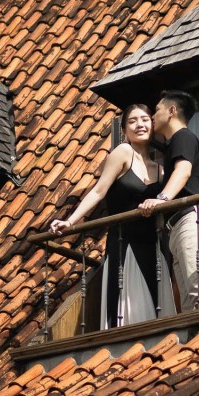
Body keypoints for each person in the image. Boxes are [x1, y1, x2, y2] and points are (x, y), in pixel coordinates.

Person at [50, 101, 171, 326]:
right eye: (132, 121)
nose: (140, 125)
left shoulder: (161, 170)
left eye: (145, 120)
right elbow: (98, 191)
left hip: (153, 245)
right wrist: (70, 221)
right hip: (124, 243)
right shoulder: (123, 153)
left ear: (153, 125)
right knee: (128, 310)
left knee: (157, 311)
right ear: (124, 130)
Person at [138, 89, 199, 308]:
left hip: (192, 221)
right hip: (183, 224)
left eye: (157, 110)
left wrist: (162, 198)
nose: (152, 116)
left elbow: (183, 170)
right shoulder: (174, 143)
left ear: (172, 110)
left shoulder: (183, 136)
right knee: (189, 304)